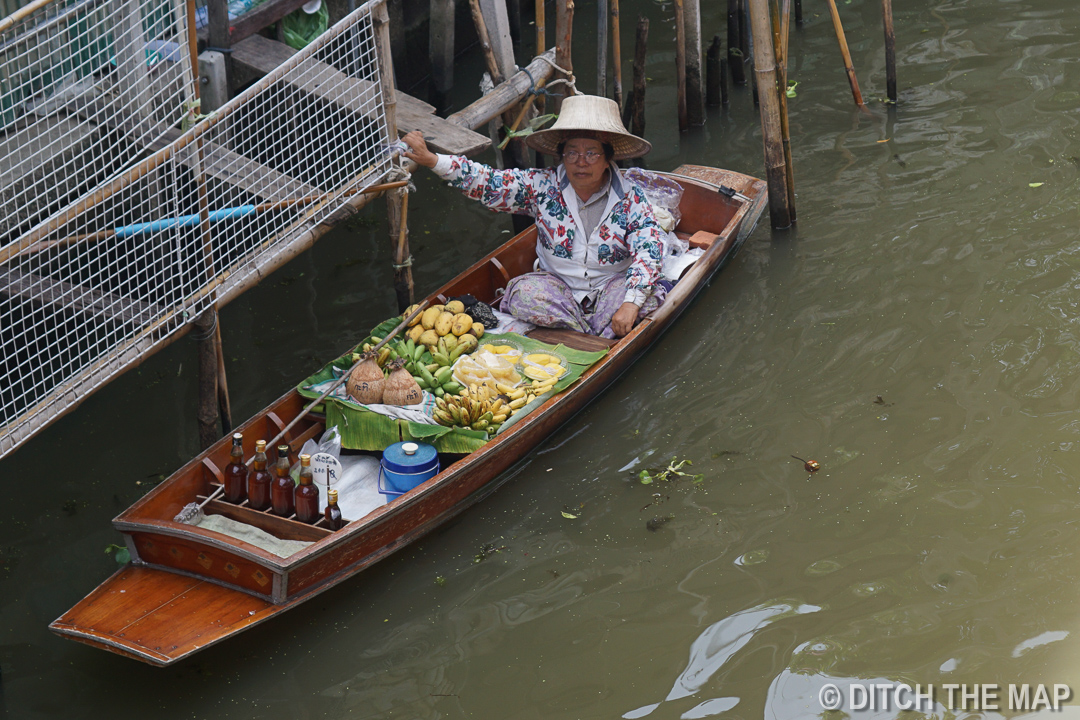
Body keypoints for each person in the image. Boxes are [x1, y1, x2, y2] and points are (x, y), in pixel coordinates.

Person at [401, 94, 666, 339]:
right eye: (572, 152)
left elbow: (649, 250)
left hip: (611, 285)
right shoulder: (541, 186)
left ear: (608, 159)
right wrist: (433, 160)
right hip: (558, 290)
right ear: (562, 156)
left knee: (647, 296)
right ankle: (594, 336)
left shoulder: (631, 197)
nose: (581, 162)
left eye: (591, 153)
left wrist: (630, 303)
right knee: (522, 294)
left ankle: (587, 333)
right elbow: (488, 182)